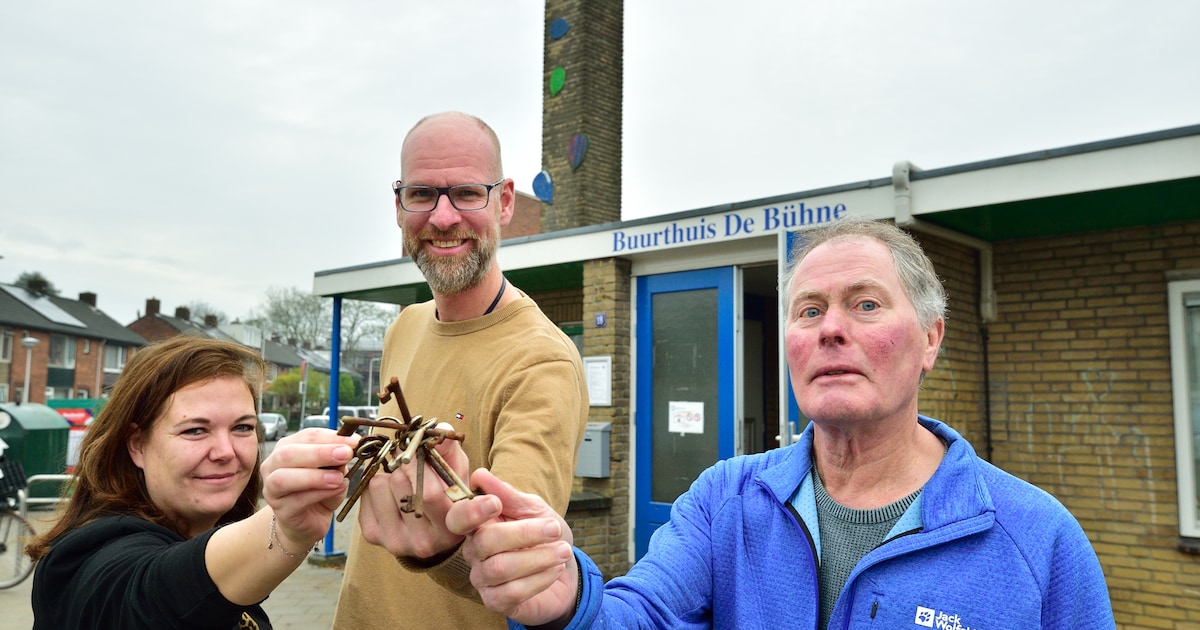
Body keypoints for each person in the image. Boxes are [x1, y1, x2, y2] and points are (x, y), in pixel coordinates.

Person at [447, 217, 1117, 629]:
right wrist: (568, 599)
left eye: (865, 304)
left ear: (931, 338)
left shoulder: (1038, 541)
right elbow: (641, 617)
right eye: (808, 310)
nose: (831, 330)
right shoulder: (723, 501)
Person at [332, 111, 589, 629]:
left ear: (506, 202)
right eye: (422, 194)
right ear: (399, 205)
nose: (443, 217)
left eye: (468, 193)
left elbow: (516, 564)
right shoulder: (403, 326)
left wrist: (437, 547)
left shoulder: (543, 360)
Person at [26, 335, 360, 630]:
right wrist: (286, 529)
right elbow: (157, 596)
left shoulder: (210, 533)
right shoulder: (85, 561)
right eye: (195, 430)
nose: (226, 451)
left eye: (242, 427)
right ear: (136, 444)